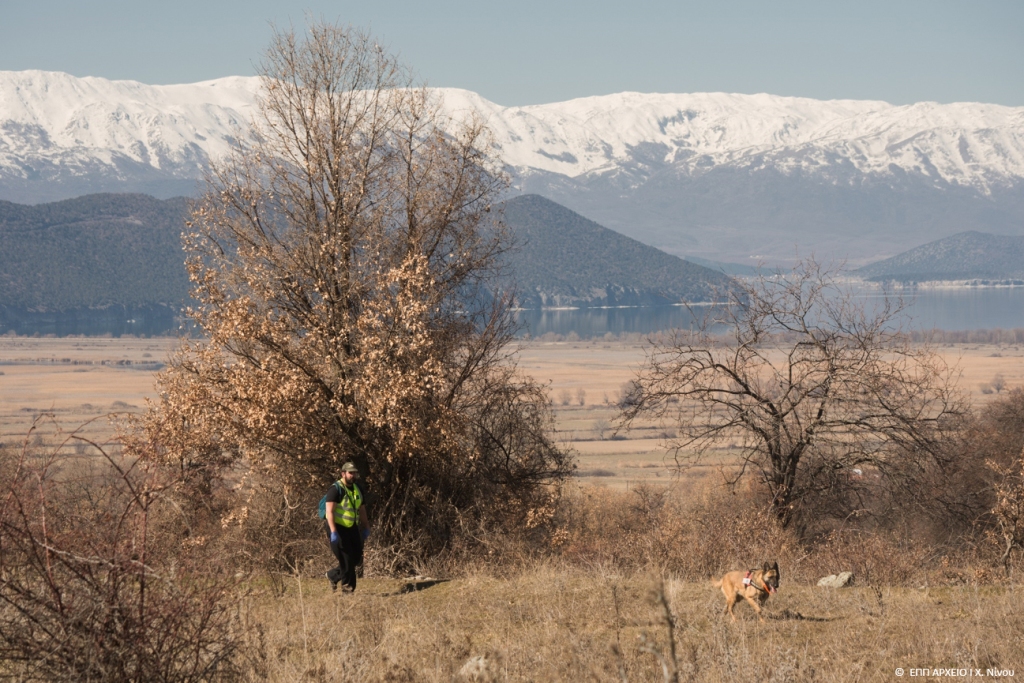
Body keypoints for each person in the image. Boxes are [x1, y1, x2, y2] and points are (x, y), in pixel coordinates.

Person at [324, 462, 370, 593]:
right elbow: (330, 512)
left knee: (356, 558)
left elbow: (362, 509)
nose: (353, 475)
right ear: (343, 474)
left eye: (354, 473)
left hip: (352, 528)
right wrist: (333, 532)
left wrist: (366, 526)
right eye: (350, 473)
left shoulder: (357, 489)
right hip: (338, 529)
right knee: (347, 560)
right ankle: (348, 591)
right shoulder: (335, 489)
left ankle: (333, 576)